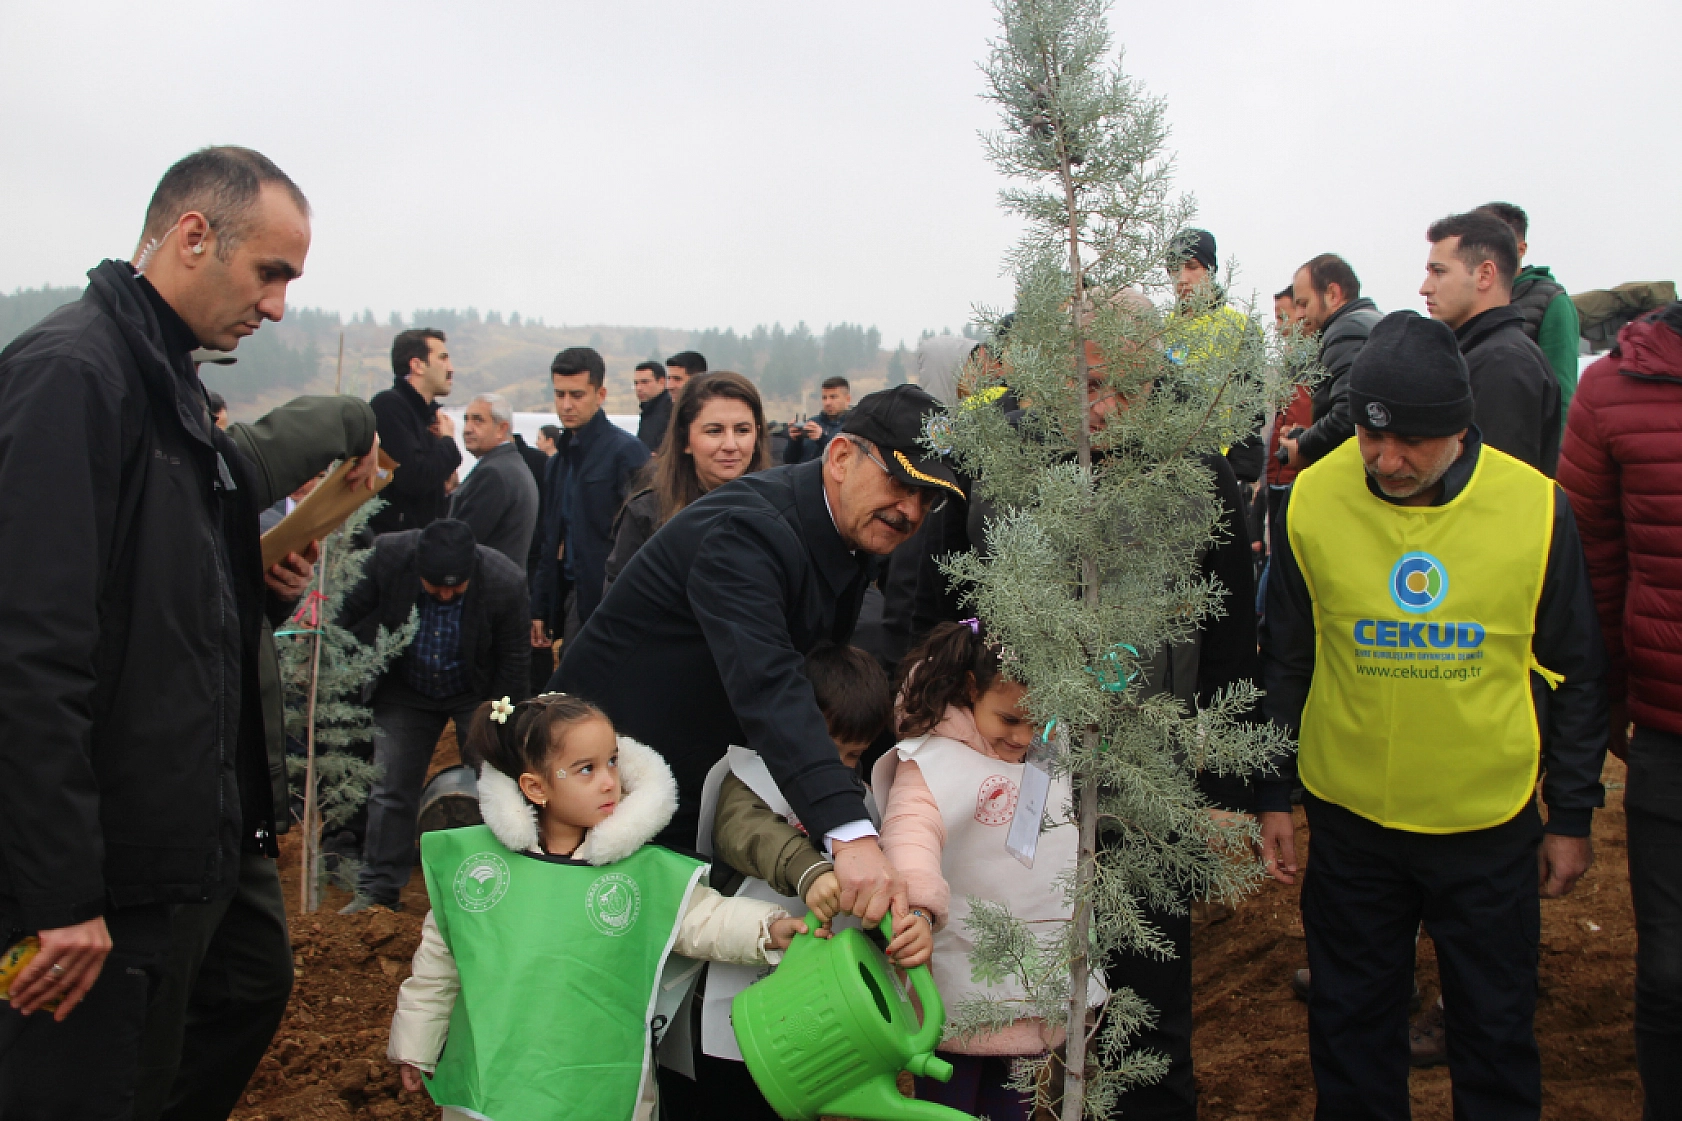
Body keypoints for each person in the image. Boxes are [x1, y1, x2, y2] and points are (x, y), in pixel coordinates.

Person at [0, 145, 315, 1118]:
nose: (276, 308)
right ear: (191, 236)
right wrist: (59, 890)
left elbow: (151, 603)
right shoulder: (74, 377)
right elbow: (29, 646)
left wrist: (253, 588)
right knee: (91, 1080)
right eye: (271, 272)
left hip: (197, 828)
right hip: (111, 847)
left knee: (244, 984)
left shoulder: (170, 385)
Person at [1257, 311, 1607, 1120]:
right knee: (1350, 1034)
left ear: (1461, 425)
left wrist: (1574, 813)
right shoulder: (1314, 496)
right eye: (1372, 440)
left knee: (1493, 1034)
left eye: (1410, 441)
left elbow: (1578, 669)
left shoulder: (1536, 510)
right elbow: (1289, 656)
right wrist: (1274, 791)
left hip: (1486, 824)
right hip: (1353, 824)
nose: (1385, 460)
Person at [555, 384, 963, 916]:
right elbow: (770, 682)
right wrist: (849, 832)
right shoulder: (748, 532)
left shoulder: (844, 533)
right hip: (601, 786)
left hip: (692, 785)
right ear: (840, 457)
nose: (909, 509)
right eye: (898, 481)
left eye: (926, 498)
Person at [386, 694, 811, 1121]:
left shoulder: (641, 871)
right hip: (496, 1082)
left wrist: (766, 928)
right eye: (586, 769)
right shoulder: (481, 869)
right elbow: (440, 965)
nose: (610, 781)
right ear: (535, 786)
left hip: (601, 1084)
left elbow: (704, 918)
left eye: (612, 761)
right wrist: (416, 1044)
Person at [133, 394, 380, 1121]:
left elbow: (211, 633)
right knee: (150, 1018)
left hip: (231, 798)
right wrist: (354, 424)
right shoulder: (151, 492)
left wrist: (266, 597)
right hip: (167, 798)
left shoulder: (209, 520)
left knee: (254, 980)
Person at [875, 620, 1096, 1121]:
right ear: (971, 691)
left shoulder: (1047, 760)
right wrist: (918, 909)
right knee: (950, 1102)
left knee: (1013, 1102)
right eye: (1008, 719)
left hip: (1030, 979)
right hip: (958, 975)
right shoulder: (933, 761)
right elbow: (911, 833)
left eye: (1037, 722)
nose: (1023, 736)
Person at [1555, 299, 1682, 1117]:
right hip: (1670, 732)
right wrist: (1606, 706)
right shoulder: (1613, 390)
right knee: (1670, 971)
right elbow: (1593, 565)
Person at [696, 643, 907, 1121]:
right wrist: (810, 870)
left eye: (851, 755)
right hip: (739, 985)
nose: (833, 770)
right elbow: (744, 832)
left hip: (817, 1005)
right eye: (824, 751)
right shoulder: (749, 777)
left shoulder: (861, 801)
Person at [338, 519, 531, 913]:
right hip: (406, 689)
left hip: (473, 693)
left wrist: (499, 725)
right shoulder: (388, 559)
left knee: (493, 785)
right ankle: (378, 889)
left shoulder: (503, 582)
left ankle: (498, 885)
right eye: (434, 587)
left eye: (454, 588)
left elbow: (514, 662)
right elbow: (344, 610)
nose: (444, 595)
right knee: (390, 788)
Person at [1421, 209, 1561, 474]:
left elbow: (1496, 485)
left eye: (1438, 272)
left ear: (1485, 275)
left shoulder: (1503, 362)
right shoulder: (1479, 352)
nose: (1425, 287)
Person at [604, 371, 771, 590]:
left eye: (742, 430)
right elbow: (618, 610)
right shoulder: (647, 515)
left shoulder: (778, 509)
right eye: (714, 431)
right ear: (685, 440)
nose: (731, 445)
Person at [531, 347, 650, 646]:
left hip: (614, 597)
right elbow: (551, 538)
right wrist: (541, 605)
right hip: (571, 592)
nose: (567, 405)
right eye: (560, 395)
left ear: (600, 394)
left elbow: (646, 534)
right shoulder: (559, 462)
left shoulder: (626, 453)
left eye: (577, 395)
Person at [1164, 228, 1267, 484]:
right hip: (1170, 469)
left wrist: (1240, 474)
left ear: (1211, 270)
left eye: (1192, 266)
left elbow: (1250, 406)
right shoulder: (1161, 330)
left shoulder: (1240, 327)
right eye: (1174, 269)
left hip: (1223, 468)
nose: (1182, 278)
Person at [1478, 202, 1581, 420]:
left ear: (1520, 249)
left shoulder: (1552, 302)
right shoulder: (1468, 297)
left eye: (1493, 244)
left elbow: (1562, 394)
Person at [1279, 254, 1383, 470]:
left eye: (1303, 303)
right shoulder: (1372, 321)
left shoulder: (1346, 329)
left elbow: (1349, 414)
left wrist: (1303, 446)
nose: (1298, 315)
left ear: (1333, 294)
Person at [369, 328, 462, 534]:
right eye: (443, 359)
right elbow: (413, 477)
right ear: (417, 365)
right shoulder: (389, 407)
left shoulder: (429, 418)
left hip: (421, 547)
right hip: (393, 549)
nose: (451, 368)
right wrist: (448, 444)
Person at [447, 392, 539, 567]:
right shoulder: (509, 464)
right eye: (466, 420)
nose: (467, 428)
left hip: (488, 586)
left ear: (501, 428)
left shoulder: (494, 473)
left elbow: (460, 538)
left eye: (478, 420)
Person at [783, 376, 852, 464]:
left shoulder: (853, 427)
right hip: (804, 475)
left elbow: (846, 458)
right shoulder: (812, 423)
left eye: (833, 397)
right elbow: (789, 461)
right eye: (824, 398)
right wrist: (795, 440)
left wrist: (822, 438)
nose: (827, 403)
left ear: (847, 399)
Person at [633, 359, 672, 451]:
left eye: (645, 382)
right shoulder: (648, 410)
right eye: (636, 383)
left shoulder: (670, 412)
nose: (639, 388)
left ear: (661, 382)